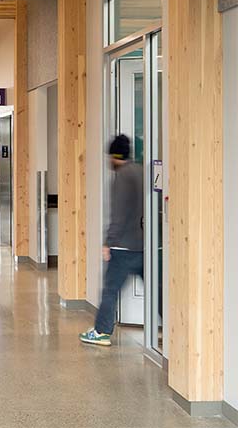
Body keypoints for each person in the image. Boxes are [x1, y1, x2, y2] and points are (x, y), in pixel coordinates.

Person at [80, 134, 144, 347]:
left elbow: (118, 214)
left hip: (123, 248)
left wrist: (109, 242)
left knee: (109, 291)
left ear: (115, 156)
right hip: (144, 246)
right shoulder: (142, 171)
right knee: (158, 292)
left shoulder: (122, 177)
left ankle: (101, 331)